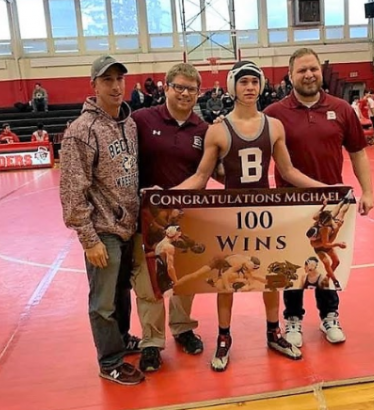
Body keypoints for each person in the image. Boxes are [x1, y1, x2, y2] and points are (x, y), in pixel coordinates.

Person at [174, 60, 328, 372]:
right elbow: (202, 176)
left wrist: (327, 188)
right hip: (231, 214)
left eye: (254, 82)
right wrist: (166, 194)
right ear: (233, 87)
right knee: (225, 280)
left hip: (264, 211)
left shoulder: (274, 126)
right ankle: (223, 337)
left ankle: (274, 331)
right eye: (243, 82)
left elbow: (288, 171)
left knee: (271, 276)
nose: (250, 88)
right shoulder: (218, 130)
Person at [263, 48, 374, 347]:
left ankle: (329, 316)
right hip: (289, 205)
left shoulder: (341, 109)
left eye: (313, 69)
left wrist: (368, 191)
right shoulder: (274, 114)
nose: (309, 74)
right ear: (290, 75)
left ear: (320, 72)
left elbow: (358, 153)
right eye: (302, 70)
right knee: (291, 265)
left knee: (326, 260)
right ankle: (293, 319)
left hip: (330, 205)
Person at [59, 55, 144, 385]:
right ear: (93, 85)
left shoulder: (130, 123)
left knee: (123, 291)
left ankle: (120, 342)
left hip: (128, 227)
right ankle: (109, 361)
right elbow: (71, 190)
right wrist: (89, 238)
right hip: (102, 230)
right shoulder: (81, 131)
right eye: (107, 80)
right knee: (103, 302)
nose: (115, 86)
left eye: (119, 79)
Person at [131, 63, 209, 373]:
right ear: (166, 87)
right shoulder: (141, 120)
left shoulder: (203, 130)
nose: (185, 93)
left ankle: (183, 328)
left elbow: (209, 172)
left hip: (186, 218)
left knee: (183, 279)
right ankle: (151, 342)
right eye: (179, 87)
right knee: (148, 282)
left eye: (191, 89)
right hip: (147, 218)